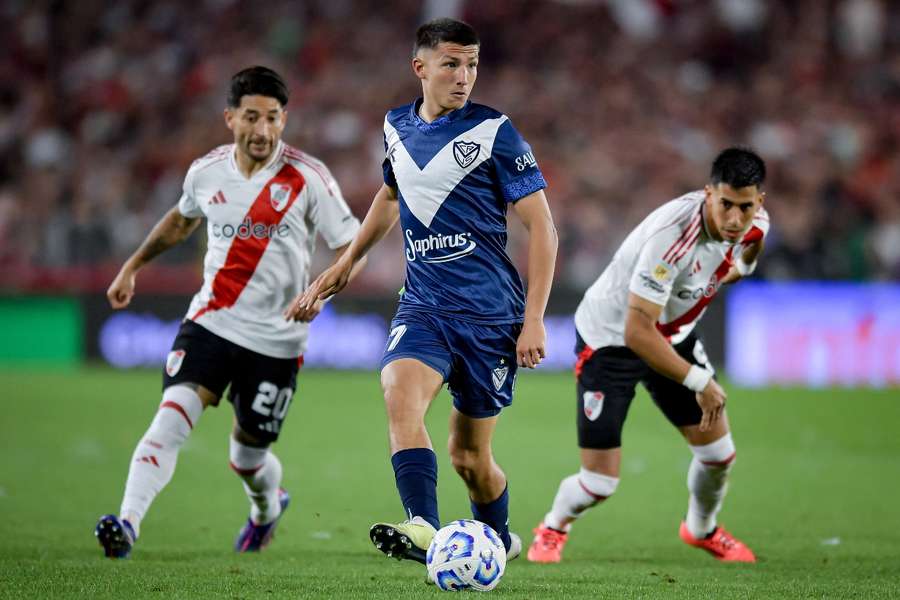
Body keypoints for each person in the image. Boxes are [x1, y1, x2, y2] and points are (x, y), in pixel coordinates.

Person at [290, 18, 558, 571]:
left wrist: (534, 318)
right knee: (398, 393)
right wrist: (346, 262)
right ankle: (422, 524)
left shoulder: (495, 132)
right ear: (421, 67)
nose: (464, 76)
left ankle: (497, 540)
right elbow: (391, 196)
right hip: (424, 306)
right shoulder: (395, 126)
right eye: (451, 64)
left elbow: (543, 228)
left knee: (470, 458)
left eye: (472, 65)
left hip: (490, 316)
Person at [95, 66, 364, 558]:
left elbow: (353, 245)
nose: (263, 129)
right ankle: (127, 524)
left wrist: (320, 293)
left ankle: (266, 508)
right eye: (252, 117)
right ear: (230, 118)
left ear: (284, 120)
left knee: (247, 456)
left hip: (277, 339)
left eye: (273, 118)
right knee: (170, 420)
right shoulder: (206, 171)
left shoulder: (307, 177)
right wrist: (132, 266)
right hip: (211, 322)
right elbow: (181, 221)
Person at [527, 147, 768, 564]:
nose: (734, 218)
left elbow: (750, 246)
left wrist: (740, 269)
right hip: (611, 340)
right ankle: (553, 526)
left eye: (744, 207)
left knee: (718, 455)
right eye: (725, 204)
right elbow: (637, 332)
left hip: (672, 334)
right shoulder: (671, 239)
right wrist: (699, 381)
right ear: (708, 193)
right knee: (599, 483)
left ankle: (701, 529)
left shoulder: (755, 224)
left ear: (758, 202)